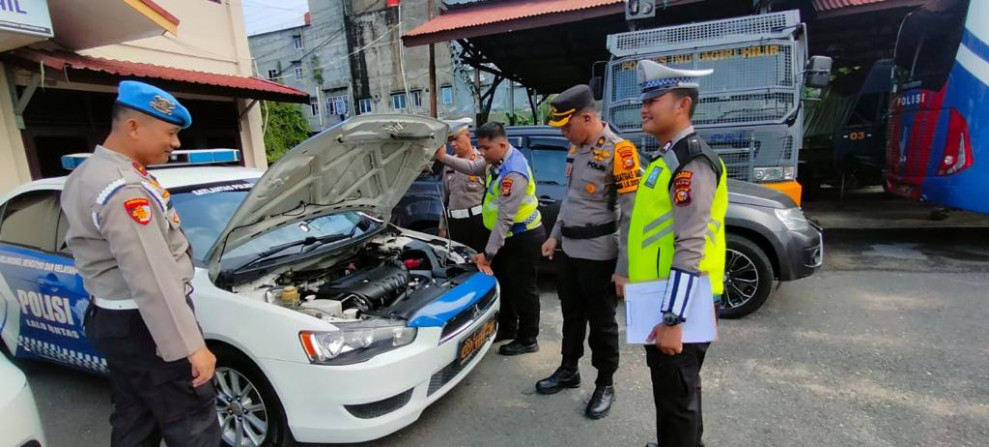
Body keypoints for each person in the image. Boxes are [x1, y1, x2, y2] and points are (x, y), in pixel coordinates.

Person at [61, 81, 221, 446]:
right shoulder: (125, 190)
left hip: (115, 321)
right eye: (170, 132)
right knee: (193, 425)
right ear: (134, 127)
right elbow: (151, 276)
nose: (176, 143)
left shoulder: (88, 174)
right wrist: (190, 347)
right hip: (147, 327)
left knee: (136, 420)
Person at [629, 61, 728, 447]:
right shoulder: (668, 158)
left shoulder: (691, 162)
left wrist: (673, 319)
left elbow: (691, 243)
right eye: (643, 100)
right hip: (661, 294)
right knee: (674, 393)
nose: (644, 108)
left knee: (678, 396)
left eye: (654, 99)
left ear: (683, 105)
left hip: (681, 303)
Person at [535, 84, 642, 419]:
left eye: (568, 126)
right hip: (570, 251)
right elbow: (571, 200)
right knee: (571, 316)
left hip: (599, 255)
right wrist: (555, 235)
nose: (565, 133)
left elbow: (631, 215)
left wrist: (623, 268)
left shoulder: (620, 151)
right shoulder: (576, 149)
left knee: (602, 323)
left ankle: (605, 382)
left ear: (587, 116)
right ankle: (569, 370)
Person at [434, 121, 545, 355]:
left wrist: (488, 253)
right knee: (504, 282)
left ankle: (528, 339)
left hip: (523, 237)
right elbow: (473, 167)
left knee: (524, 289)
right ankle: (508, 329)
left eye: (485, 149)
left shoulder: (513, 173)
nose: (482, 153)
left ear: (502, 144)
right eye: (480, 148)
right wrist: (444, 158)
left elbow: (505, 219)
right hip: (509, 237)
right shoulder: (497, 160)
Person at [438, 118, 489, 253]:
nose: (453, 144)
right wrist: (442, 225)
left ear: (468, 136)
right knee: (458, 261)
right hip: (455, 223)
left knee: (477, 261)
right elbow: (445, 196)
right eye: (450, 140)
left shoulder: (482, 160)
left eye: (456, 139)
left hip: (476, 222)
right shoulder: (449, 162)